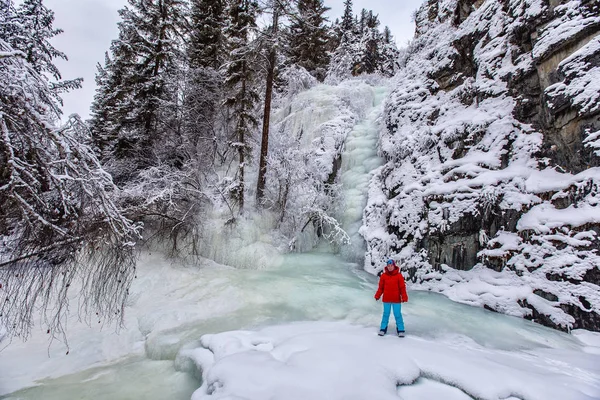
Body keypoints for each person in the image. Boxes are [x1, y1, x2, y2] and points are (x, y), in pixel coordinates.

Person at [374, 259, 408, 337]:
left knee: (397, 314)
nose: (390, 267)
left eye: (391, 266)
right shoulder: (383, 276)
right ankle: (383, 328)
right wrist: (377, 295)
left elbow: (402, 288)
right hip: (386, 299)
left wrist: (404, 297)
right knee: (386, 314)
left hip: (396, 300)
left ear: (394, 266)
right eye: (388, 266)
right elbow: (381, 288)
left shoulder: (399, 276)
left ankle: (400, 329)